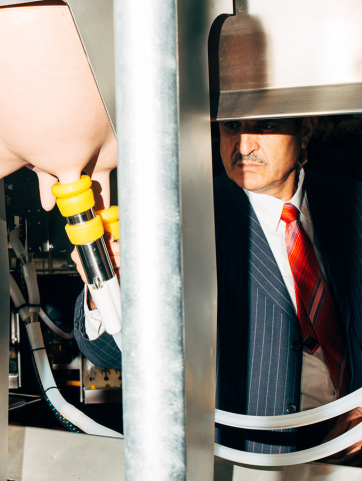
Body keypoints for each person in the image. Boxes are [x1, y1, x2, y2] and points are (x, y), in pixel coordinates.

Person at [73, 117, 362, 460]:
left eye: (265, 126)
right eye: (231, 127)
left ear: (305, 132)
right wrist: (106, 288)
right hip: (251, 460)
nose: (243, 145)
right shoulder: (183, 218)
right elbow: (112, 354)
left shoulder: (352, 201)